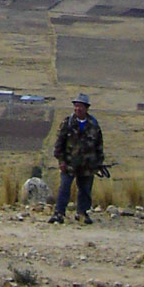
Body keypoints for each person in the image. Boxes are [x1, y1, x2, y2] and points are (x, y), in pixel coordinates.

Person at [50, 94, 104, 224]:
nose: (77, 109)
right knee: (64, 188)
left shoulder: (94, 125)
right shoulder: (67, 122)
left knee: (85, 191)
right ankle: (59, 213)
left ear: (86, 108)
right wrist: (61, 161)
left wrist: (98, 164)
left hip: (87, 166)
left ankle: (82, 213)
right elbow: (59, 145)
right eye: (76, 106)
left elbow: (99, 146)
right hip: (69, 164)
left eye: (80, 106)